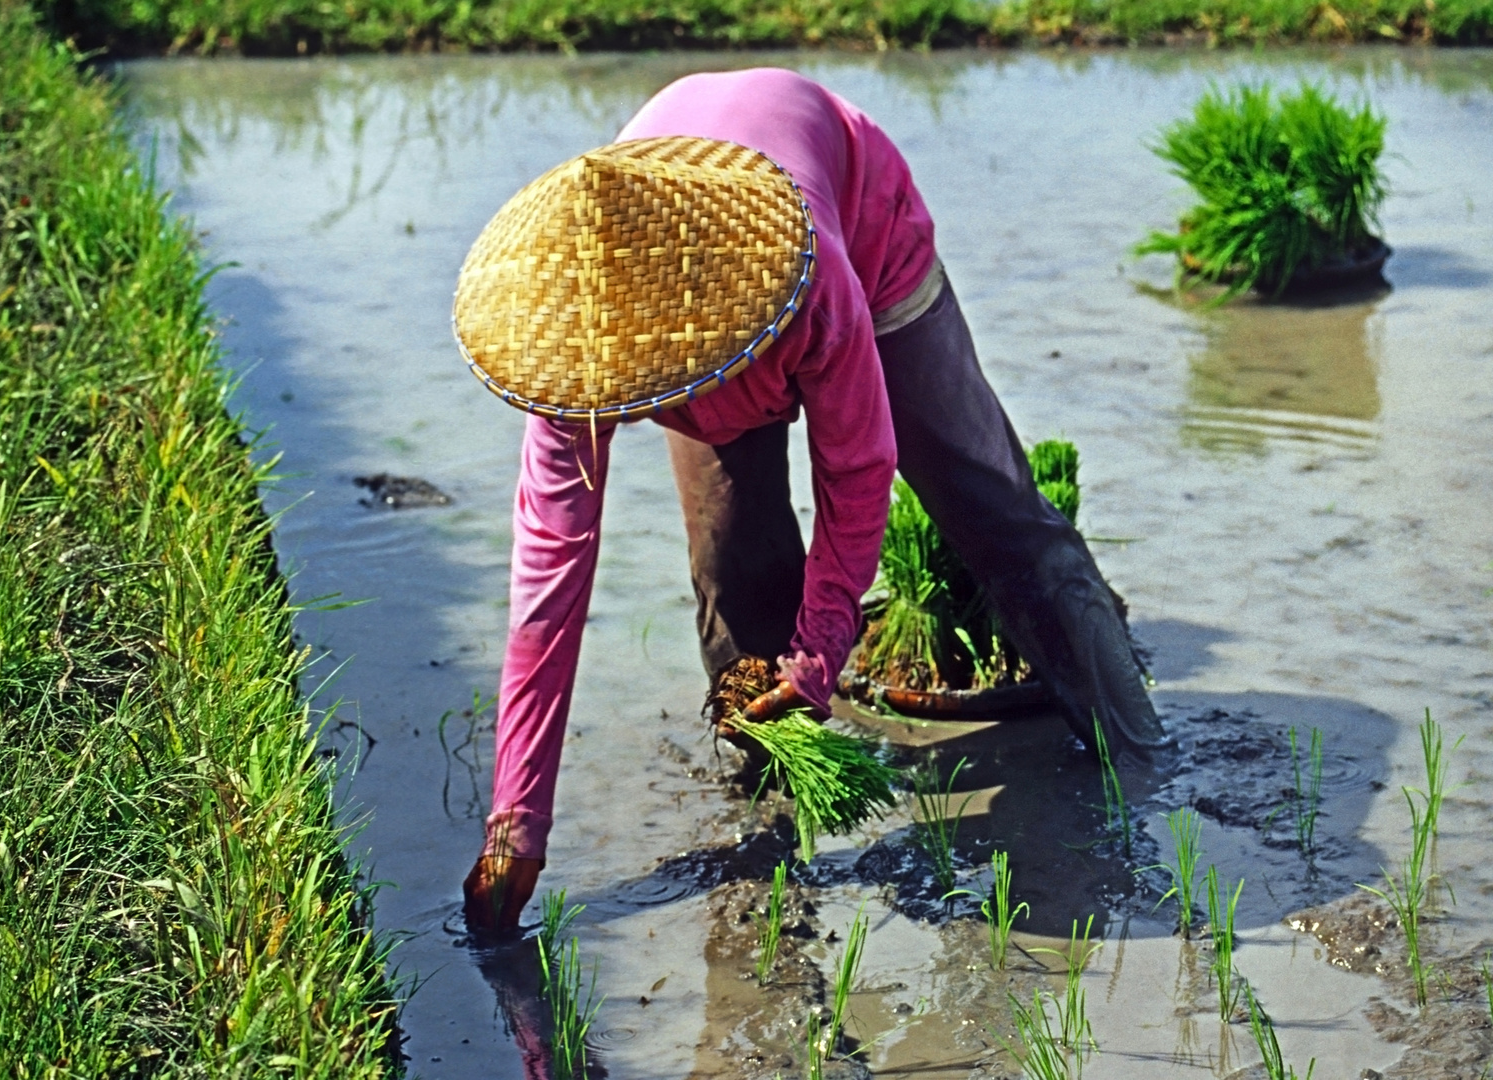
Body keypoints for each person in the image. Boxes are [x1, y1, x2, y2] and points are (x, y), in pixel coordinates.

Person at [452, 68, 1167, 933]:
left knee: (987, 503)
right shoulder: (584, 339)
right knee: (732, 553)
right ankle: (773, 822)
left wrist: (822, 652)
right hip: (682, 268)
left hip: (864, 233)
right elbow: (546, 589)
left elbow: (859, 469)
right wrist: (516, 820)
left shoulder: (809, 274)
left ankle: (1139, 752)